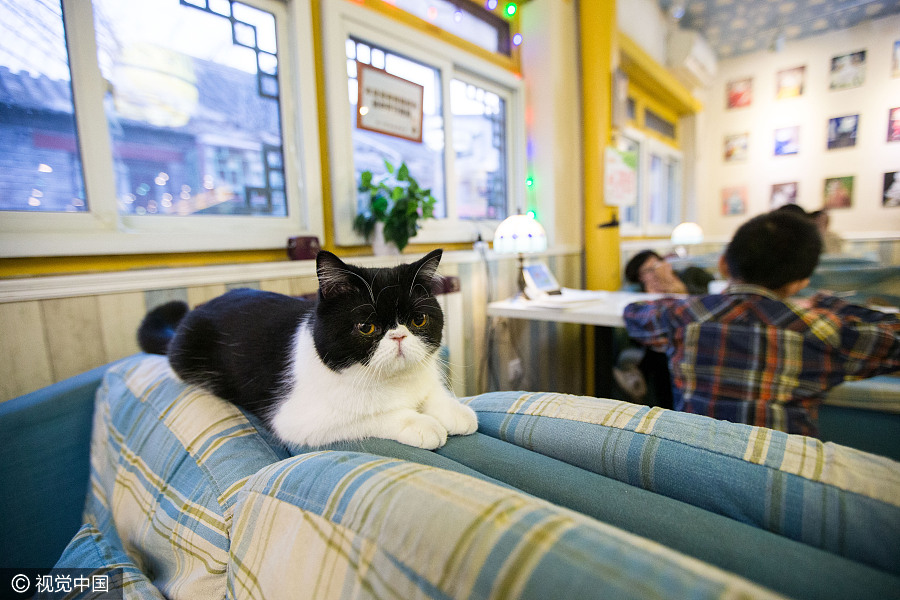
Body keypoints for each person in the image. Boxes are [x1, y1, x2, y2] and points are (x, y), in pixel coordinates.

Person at [623, 210, 900, 436]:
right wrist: (828, 302)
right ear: (800, 283)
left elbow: (634, 313)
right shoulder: (823, 331)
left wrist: (681, 298)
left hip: (694, 459)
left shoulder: (683, 316)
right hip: (783, 468)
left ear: (723, 265)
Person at [624, 250, 714, 295]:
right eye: (649, 270)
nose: (656, 272)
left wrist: (685, 290)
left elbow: (715, 292)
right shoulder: (639, 293)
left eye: (657, 266)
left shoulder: (692, 273)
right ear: (640, 278)